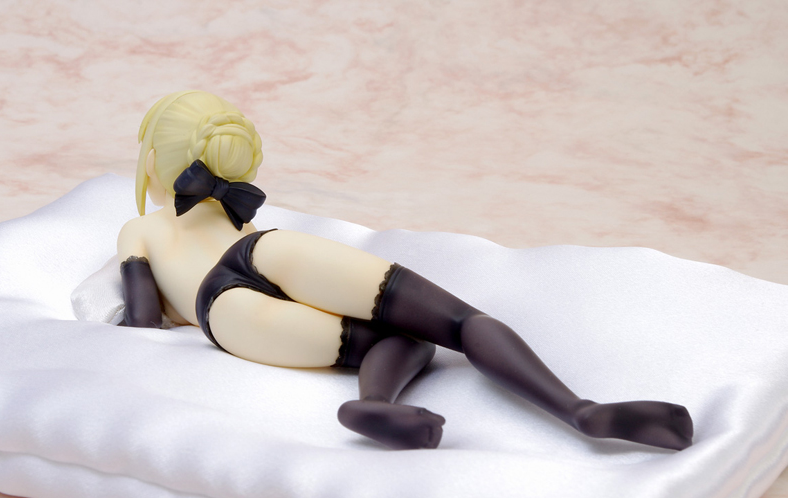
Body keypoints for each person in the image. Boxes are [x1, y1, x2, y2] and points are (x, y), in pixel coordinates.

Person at [118, 91, 694, 451]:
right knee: (452, 324)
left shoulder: (138, 230)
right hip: (266, 252)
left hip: (222, 316)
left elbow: (141, 321)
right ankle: (581, 412)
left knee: (389, 343)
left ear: (154, 161)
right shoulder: (242, 220)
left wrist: (170, 310)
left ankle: (378, 404)